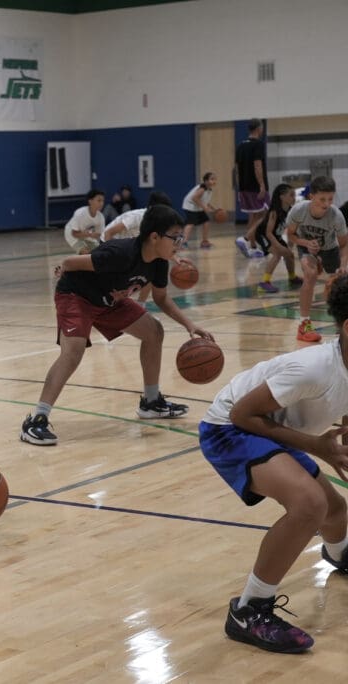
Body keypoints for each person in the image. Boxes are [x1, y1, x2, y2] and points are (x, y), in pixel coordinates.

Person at [199, 274, 348, 654]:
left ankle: (341, 554)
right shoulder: (314, 368)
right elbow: (242, 415)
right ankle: (249, 610)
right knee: (309, 504)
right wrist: (318, 447)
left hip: (273, 429)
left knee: (336, 511)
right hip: (228, 427)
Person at [19, 205, 215, 446]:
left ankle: (151, 402)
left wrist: (190, 325)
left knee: (154, 332)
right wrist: (64, 268)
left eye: (180, 237)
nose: (179, 243)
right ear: (154, 237)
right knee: (73, 352)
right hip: (76, 296)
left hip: (109, 302)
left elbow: (161, 298)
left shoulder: (159, 262)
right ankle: (36, 420)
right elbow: (69, 261)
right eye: (175, 237)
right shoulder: (120, 252)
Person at [284, 176, 348, 343]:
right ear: (311, 196)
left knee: (341, 283)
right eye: (322, 199)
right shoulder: (298, 211)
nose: (327, 204)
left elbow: (344, 245)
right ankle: (304, 324)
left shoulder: (336, 216)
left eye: (330, 199)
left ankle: (343, 323)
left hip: (330, 249)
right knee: (310, 274)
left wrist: (343, 266)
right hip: (306, 246)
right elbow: (291, 235)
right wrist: (305, 243)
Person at [102, 191, 174, 303]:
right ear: (153, 209)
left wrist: (174, 257)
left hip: (129, 245)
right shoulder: (137, 217)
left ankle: (141, 305)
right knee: (119, 281)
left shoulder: (157, 222)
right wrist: (111, 256)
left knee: (151, 270)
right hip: (110, 242)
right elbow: (109, 233)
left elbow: (160, 246)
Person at [256, 184, 301, 294]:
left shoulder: (291, 211)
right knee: (277, 254)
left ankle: (292, 277)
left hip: (276, 235)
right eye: (291, 195)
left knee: (290, 255)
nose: (294, 198)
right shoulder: (274, 212)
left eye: (294, 195)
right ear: (282, 197)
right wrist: (280, 247)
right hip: (263, 235)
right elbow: (268, 232)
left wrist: (290, 246)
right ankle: (264, 283)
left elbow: (292, 231)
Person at [234, 118, 268, 258]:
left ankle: (253, 247)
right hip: (255, 186)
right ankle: (245, 238)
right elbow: (257, 165)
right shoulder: (258, 144)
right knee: (265, 214)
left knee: (252, 216)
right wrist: (262, 185)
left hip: (244, 187)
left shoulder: (240, 145)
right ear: (259, 128)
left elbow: (236, 169)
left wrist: (239, 187)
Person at [181, 172, 219, 248]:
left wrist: (214, 209)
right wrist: (204, 207)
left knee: (206, 221)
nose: (214, 181)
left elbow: (205, 201)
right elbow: (194, 198)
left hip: (197, 207)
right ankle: (183, 242)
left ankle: (204, 242)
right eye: (212, 179)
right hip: (190, 206)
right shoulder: (202, 188)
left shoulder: (209, 190)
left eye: (215, 179)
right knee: (190, 223)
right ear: (206, 181)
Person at [64, 188, 106, 255]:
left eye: (103, 201)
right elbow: (74, 233)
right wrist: (90, 234)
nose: (101, 203)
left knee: (99, 253)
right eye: (99, 200)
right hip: (71, 234)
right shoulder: (80, 213)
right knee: (86, 253)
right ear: (90, 201)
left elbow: (100, 235)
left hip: (86, 235)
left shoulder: (101, 217)